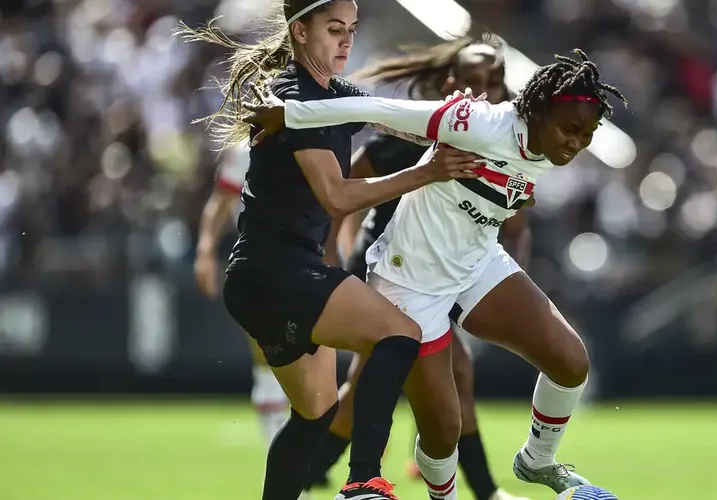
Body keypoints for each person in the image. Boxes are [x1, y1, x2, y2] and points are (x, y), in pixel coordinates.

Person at [243, 48, 627, 497]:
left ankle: (537, 461)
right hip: (409, 281)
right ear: (538, 111)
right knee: (444, 431)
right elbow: (378, 109)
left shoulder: (549, 148)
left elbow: (506, 189)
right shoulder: (475, 122)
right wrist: (291, 113)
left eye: (586, 135)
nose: (576, 143)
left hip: (477, 263)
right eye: (570, 130)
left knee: (571, 361)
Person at [176, 1, 484, 499]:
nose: (347, 41)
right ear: (300, 32)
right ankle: (364, 480)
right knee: (399, 335)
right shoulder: (293, 96)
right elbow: (337, 196)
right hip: (280, 272)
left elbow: (394, 122)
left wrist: (456, 120)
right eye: (335, 29)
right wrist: (427, 172)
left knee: (315, 416)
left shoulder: (331, 95)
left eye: (352, 30)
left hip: (261, 278)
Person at [305, 38, 532, 500]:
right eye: (474, 82)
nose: (485, 92)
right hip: (391, 271)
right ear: (451, 85)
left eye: (495, 83)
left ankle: (315, 472)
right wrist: (339, 254)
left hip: (444, 277)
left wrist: (509, 279)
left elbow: (517, 225)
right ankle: (315, 475)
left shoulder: (504, 144)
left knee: (431, 381)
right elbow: (342, 195)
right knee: (374, 389)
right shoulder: (407, 135)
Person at [193, 142, 290, 472]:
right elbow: (222, 201)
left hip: (310, 257)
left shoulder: (319, 132)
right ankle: (282, 465)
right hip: (260, 262)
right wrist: (205, 250)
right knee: (268, 360)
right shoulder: (246, 150)